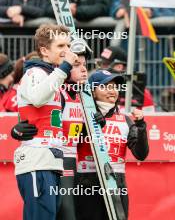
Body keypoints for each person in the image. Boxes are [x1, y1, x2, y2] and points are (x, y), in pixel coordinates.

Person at [13, 23, 78, 220]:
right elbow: (37, 97)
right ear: (44, 50)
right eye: (60, 47)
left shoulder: (53, 77)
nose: (66, 51)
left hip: (51, 162)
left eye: (68, 46)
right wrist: (65, 68)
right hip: (36, 161)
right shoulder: (35, 73)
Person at [74, 69, 149, 220]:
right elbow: (70, 142)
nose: (112, 91)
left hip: (117, 183)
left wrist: (141, 127)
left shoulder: (125, 120)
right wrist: (90, 126)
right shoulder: (81, 116)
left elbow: (141, 155)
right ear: (92, 92)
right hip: (88, 183)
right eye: (105, 86)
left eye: (114, 87)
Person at [100, 45, 155, 112]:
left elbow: (150, 117)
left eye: (105, 64)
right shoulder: (96, 89)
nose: (101, 68)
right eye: (100, 64)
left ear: (119, 67)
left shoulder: (142, 93)